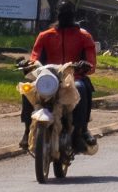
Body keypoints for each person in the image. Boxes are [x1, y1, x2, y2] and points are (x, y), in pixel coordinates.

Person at [29, 10, 99, 152]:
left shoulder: (84, 37)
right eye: (61, 13)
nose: (64, 17)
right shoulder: (45, 36)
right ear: (58, 16)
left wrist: (84, 66)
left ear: (73, 16)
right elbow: (34, 58)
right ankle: (26, 131)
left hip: (74, 78)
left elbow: (91, 63)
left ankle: (81, 131)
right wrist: (28, 64)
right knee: (28, 89)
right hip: (49, 78)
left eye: (66, 14)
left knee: (82, 88)